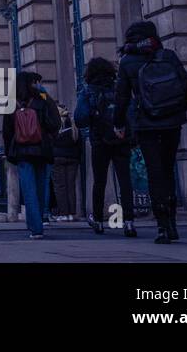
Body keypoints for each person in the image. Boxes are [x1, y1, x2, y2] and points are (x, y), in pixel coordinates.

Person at [115, 20, 187, 245]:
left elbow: (121, 98)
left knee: (154, 171)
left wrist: (119, 123)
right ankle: (172, 224)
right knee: (169, 169)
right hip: (171, 122)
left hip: (146, 124)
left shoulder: (127, 61)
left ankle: (161, 225)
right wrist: (179, 110)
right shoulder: (167, 55)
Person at [75, 56, 137, 237]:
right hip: (121, 138)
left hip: (100, 140)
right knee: (125, 181)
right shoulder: (119, 88)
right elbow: (131, 112)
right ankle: (129, 222)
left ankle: (98, 221)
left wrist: (94, 116)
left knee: (99, 181)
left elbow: (80, 119)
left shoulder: (88, 92)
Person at [3, 71, 60, 239]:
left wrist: (9, 151)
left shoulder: (11, 103)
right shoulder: (42, 100)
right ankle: (38, 221)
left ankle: (35, 228)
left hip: (22, 152)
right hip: (42, 150)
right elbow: (55, 123)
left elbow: (7, 131)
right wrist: (45, 94)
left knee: (29, 190)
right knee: (41, 189)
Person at [51, 102, 81, 222]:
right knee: (70, 186)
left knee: (60, 187)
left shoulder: (54, 124)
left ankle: (63, 213)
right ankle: (72, 213)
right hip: (73, 159)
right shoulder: (73, 124)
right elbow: (79, 143)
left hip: (57, 158)